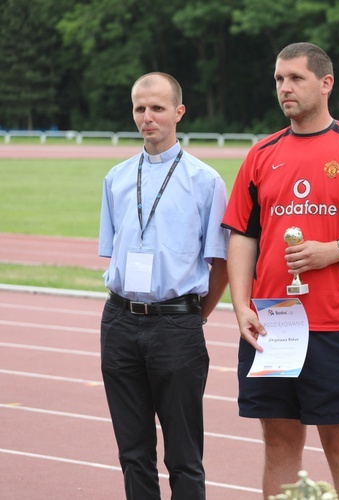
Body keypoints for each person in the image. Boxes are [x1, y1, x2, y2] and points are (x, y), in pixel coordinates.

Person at [221, 42, 339, 499]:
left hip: (333, 325)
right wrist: (241, 305)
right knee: (279, 443)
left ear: (326, 83)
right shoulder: (262, 154)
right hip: (272, 323)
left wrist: (336, 250)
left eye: (296, 78)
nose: (285, 88)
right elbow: (242, 233)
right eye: (279, 79)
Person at [98, 72, 229, 499]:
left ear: (179, 112)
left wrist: (195, 316)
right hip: (119, 321)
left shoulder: (205, 181)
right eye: (140, 108)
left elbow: (221, 263)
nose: (147, 117)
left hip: (176, 325)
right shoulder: (116, 178)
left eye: (157, 108)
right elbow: (114, 249)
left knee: (184, 455)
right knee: (133, 452)